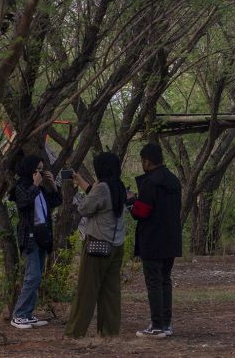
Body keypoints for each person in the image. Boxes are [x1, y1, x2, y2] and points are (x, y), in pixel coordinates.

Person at [65, 152, 127, 339]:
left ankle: (74, 332)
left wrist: (83, 188)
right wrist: (81, 181)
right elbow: (100, 197)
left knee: (87, 290)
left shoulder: (101, 188)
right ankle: (109, 332)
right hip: (116, 245)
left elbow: (85, 208)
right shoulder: (119, 186)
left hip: (97, 244)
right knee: (111, 291)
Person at [129, 143, 182, 339]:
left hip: (152, 239)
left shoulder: (150, 182)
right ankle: (166, 323)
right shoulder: (173, 180)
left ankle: (157, 325)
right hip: (170, 239)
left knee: (153, 282)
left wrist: (131, 203)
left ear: (147, 161)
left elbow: (141, 212)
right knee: (165, 281)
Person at [9, 154, 62, 329]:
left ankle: (28, 314)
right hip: (29, 236)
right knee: (32, 276)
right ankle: (19, 315)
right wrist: (35, 184)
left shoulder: (40, 189)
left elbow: (56, 201)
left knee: (37, 277)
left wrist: (53, 185)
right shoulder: (21, 187)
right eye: (36, 169)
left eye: (41, 169)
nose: (39, 172)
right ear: (29, 170)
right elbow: (23, 203)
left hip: (42, 236)